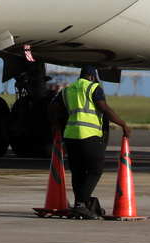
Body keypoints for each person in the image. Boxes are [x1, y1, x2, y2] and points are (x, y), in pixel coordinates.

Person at [49, 65, 130, 219]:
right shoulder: (94, 88)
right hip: (89, 135)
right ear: (92, 77)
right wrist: (122, 123)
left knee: (78, 171)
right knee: (95, 169)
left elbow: (51, 107)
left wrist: (55, 124)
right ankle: (81, 203)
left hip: (71, 135)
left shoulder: (67, 90)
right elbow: (104, 108)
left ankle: (83, 204)